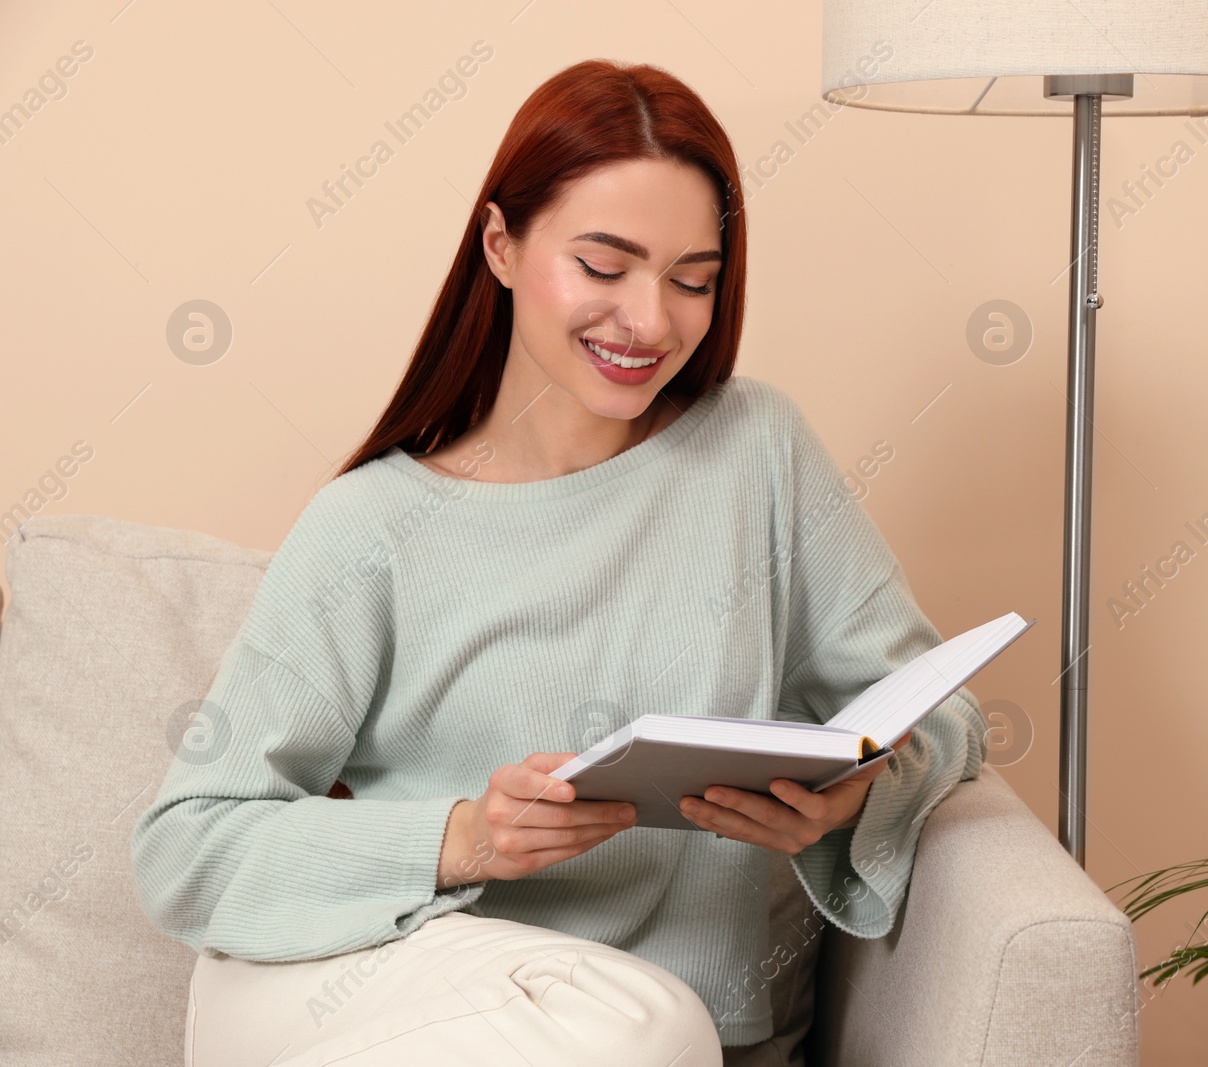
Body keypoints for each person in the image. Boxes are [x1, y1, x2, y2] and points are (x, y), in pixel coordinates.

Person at [130, 57, 988, 1067]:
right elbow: (185, 846)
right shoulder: (370, 525)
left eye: (692, 280)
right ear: (500, 244)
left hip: (670, 1034)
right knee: (640, 1027)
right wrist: (462, 837)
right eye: (603, 265)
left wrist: (857, 794)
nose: (650, 320)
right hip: (422, 995)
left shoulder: (754, 451)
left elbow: (939, 711)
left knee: (656, 1026)